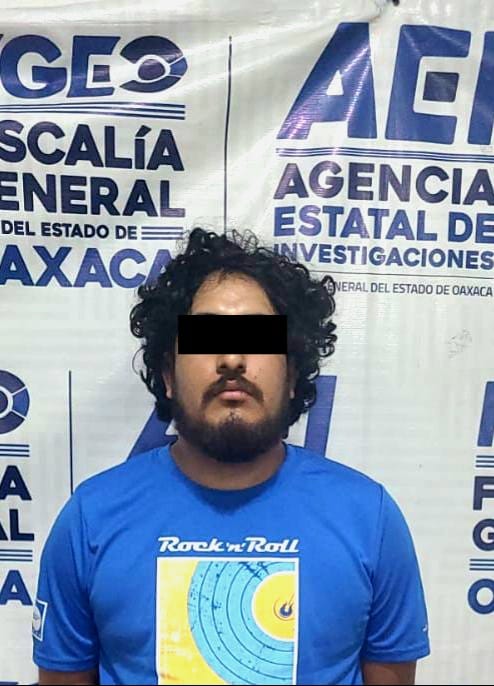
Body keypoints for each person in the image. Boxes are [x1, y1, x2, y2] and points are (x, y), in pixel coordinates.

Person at [33, 227, 430, 685]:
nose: (232, 358)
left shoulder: (368, 517)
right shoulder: (91, 518)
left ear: (292, 373)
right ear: (168, 375)